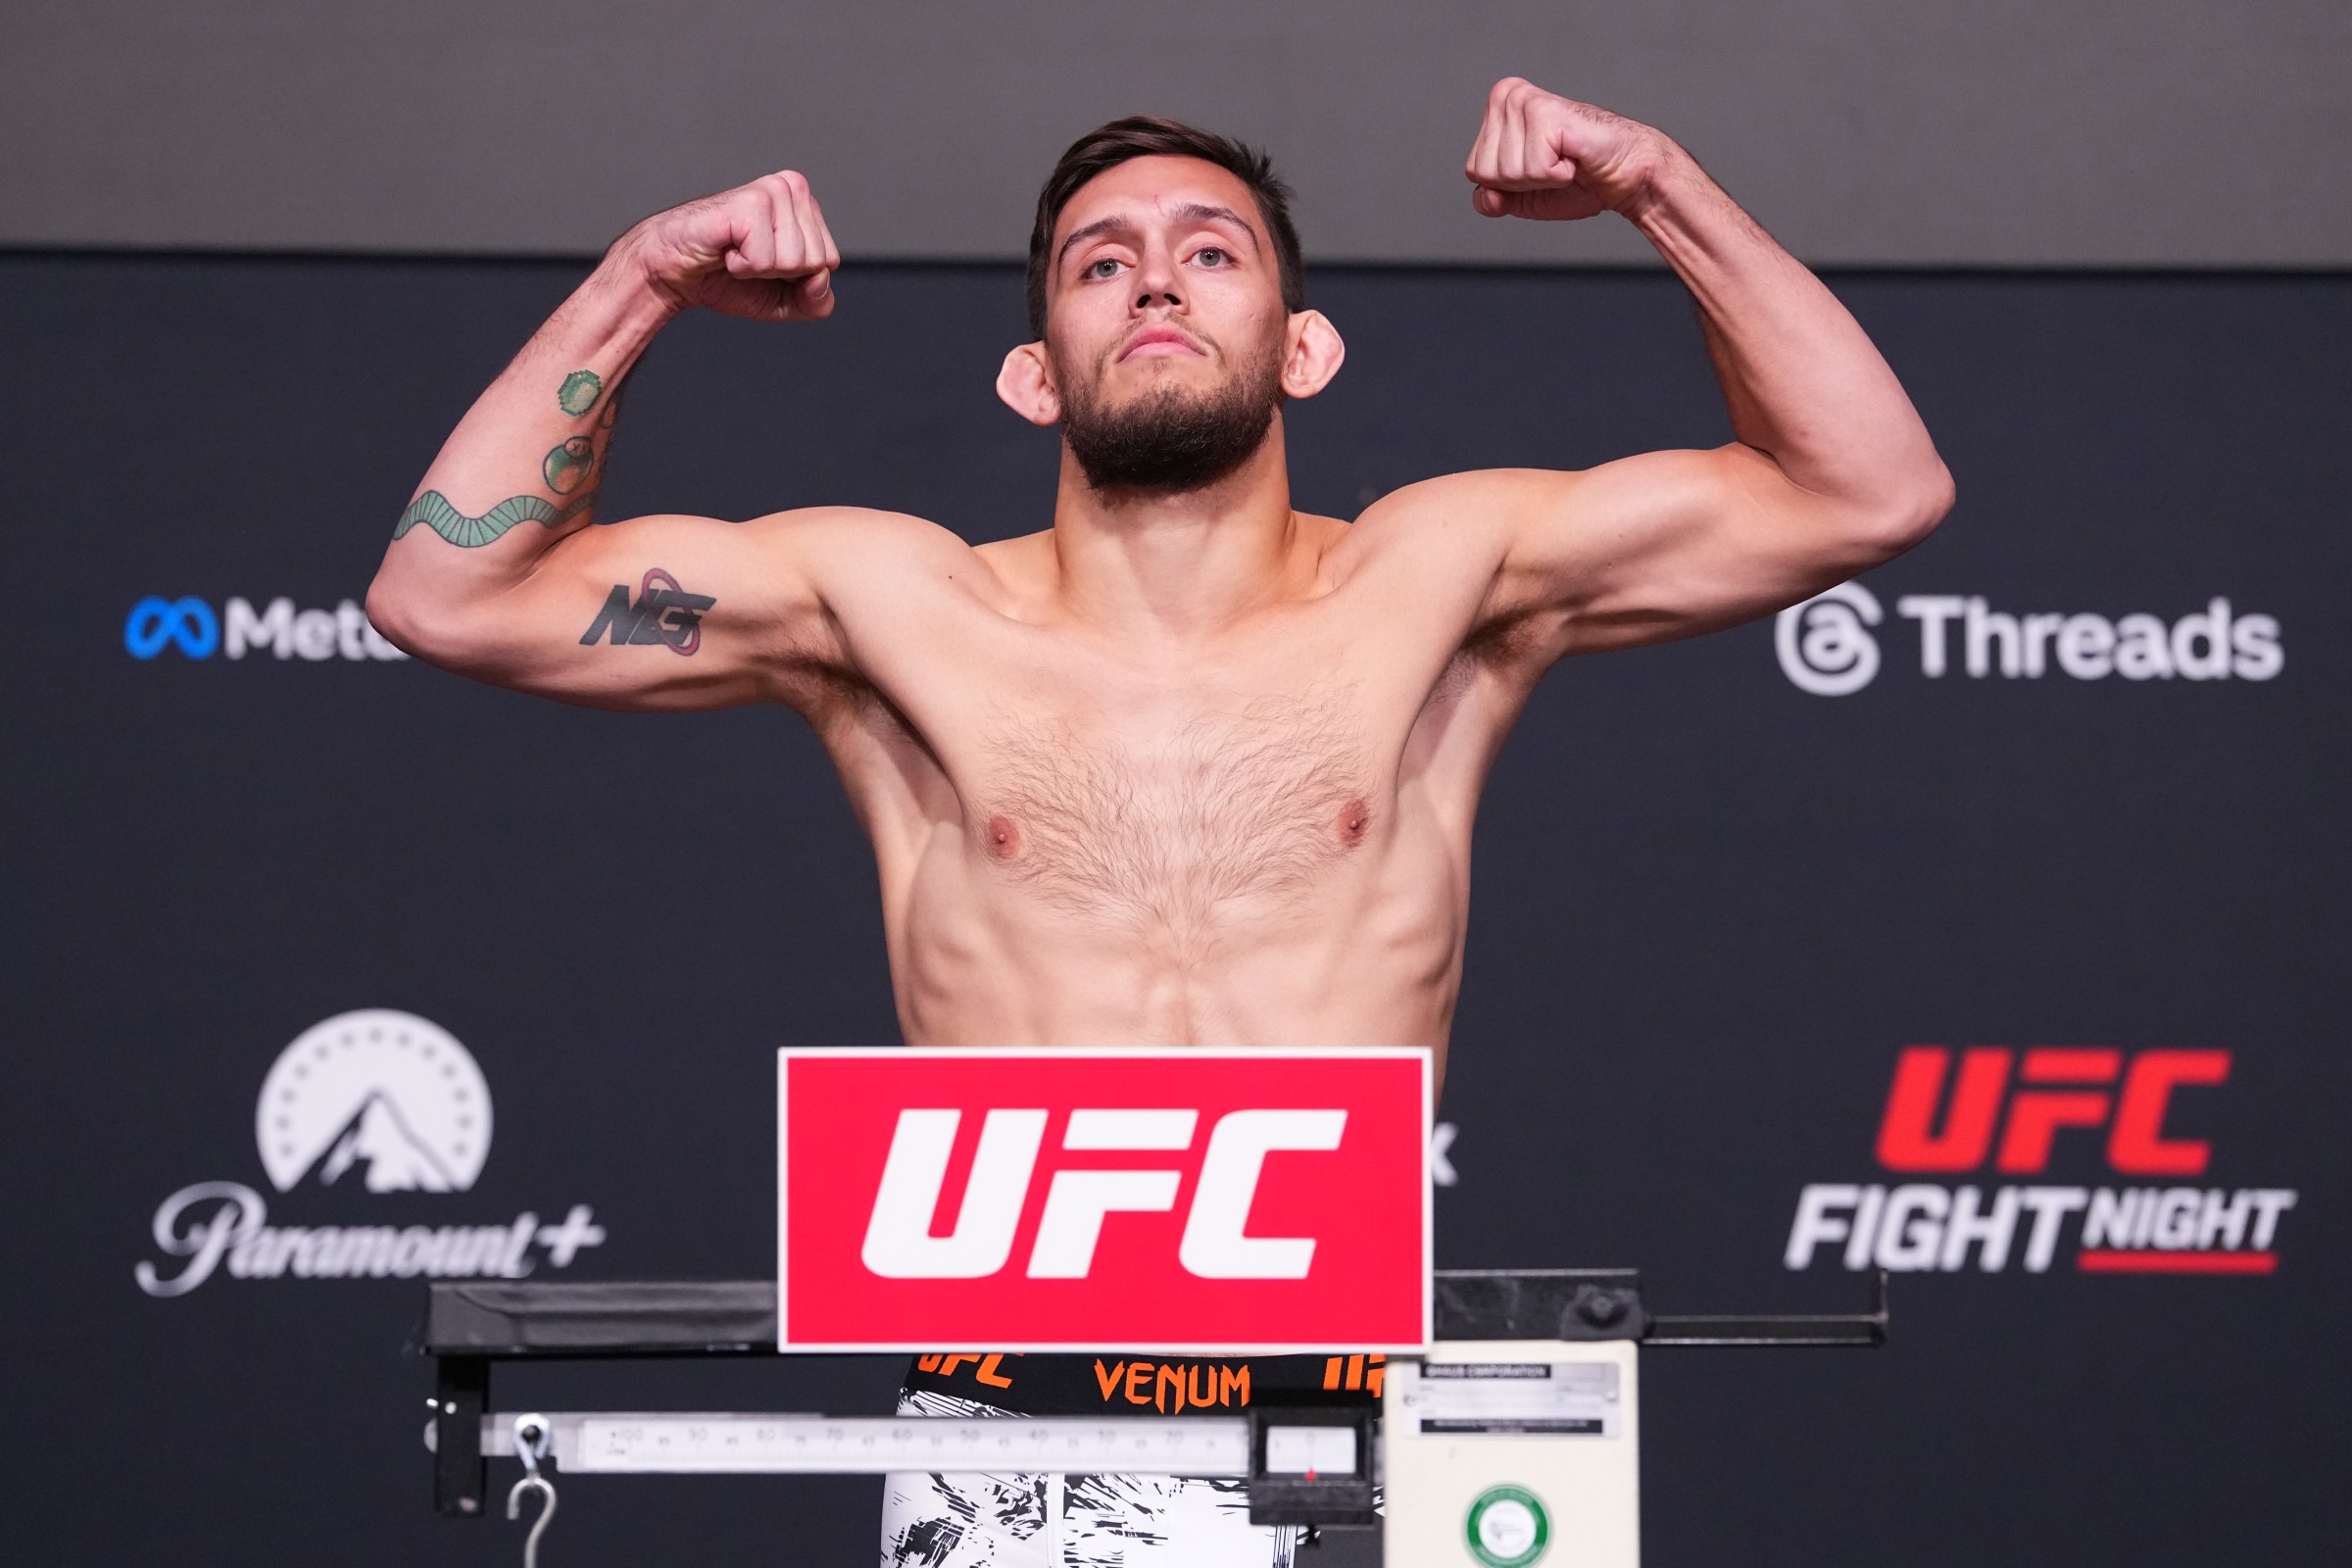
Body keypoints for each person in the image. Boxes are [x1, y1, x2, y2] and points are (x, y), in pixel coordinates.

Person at [368, 76, 1951, 1568]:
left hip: (1349, 1380)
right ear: (1035, 372)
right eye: (1100, 264)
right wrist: (644, 281)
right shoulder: (889, 607)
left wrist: (1654, 184)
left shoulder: (1442, 580)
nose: (1159, 286)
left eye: (1213, 252)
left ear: (1306, 347)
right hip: (1005, 1407)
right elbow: (448, 593)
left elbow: (1868, 488)